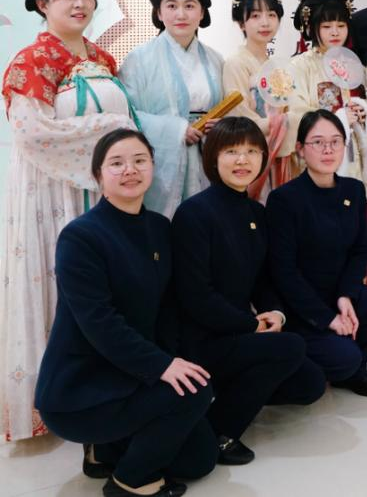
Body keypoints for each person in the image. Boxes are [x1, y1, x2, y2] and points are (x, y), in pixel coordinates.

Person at [1, 0, 137, 442]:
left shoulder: (102, 58)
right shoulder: (32, 59)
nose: (79, 4)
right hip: (50, 188)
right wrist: (110, 129)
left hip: (100, 190)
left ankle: (105, 392)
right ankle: (55, 401)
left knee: (103, 289)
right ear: (43, 4)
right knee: (58, 281)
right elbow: (33, 132)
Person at [35, 129, 217, 497]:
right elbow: (98, 322)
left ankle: (104, 450)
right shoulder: (80, 236)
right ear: (98, 175)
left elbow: (168, 309)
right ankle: (129, 484)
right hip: (81, 388)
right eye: (116, 163)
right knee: (196, 393)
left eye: (139, 161)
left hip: (132, 376)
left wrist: (173, 360)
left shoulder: (159, 227)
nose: (130, 170)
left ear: (152, 167)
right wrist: (162, 367)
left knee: (199, 460)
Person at [172, 118, 326, 465]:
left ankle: (227, 392)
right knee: (291, 347)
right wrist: (251, 324)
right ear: (213, 157)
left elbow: (263, 279)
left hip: (240, 332)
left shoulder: (256, 211)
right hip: (203, 339)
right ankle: (219, 432)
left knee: (310, 384)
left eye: (252, 151)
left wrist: (275, 314)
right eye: (231, 151)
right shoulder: (193, 214)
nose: (243, 160)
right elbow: (196, 297)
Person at [267, 110, 367, 392]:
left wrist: (346, 295)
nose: (328, 150)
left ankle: (355, 371)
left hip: (337, 295)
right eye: (318, 142)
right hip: (302, 306)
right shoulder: (284, 199)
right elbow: (284, 272)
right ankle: (340, 361)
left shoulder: (353, 190)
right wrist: (328, 319)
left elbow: (360, 249)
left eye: (335, 141)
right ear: (300, 149)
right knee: (343, 358)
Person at [119, 0, 224, 219]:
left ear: (202, 12)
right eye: (172, 6)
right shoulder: (139, 59)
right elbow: (127, 115)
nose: (181, 15)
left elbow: (229, 108)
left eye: (190, 6)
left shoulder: (216, 60)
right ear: (158, 12)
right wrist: (176, 129)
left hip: (208, 156)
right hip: (164, 162)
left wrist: (221, 127)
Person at [288, 0, 367, 282]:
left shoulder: (355, 64)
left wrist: (363, 113)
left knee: (362, 231)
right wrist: (338, 119)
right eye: (327, 26)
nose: (335, 32)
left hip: (358, 161)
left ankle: (365, 292)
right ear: (311, 27)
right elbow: (297, 113)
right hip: (325, 162)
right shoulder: (300, 66)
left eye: (341, 25)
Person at [220, 0, 291, 200]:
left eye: (271, 15)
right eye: (255, 16)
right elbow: (240, 117)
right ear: (241, 23)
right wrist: (280, 123)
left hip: (281, 152)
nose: (265, 23)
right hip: (251, 154)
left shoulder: (277, 65)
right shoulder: (236, 63)